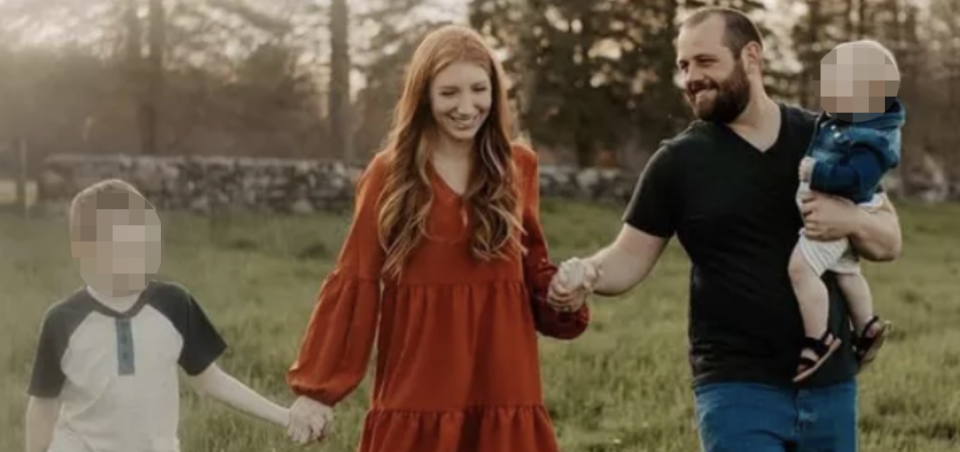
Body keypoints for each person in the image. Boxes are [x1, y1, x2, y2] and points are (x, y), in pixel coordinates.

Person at [549, 7, 902, 452]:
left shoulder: (826, 138)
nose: (691, 77)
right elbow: (628, 257)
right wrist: (586, 274)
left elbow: (889, 241)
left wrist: (849, 219)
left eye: (705, 61)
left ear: (751, 56)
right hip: (735, 387)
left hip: (830, 384)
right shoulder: (678, 162)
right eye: (683, 66)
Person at [283, 25, 591, 451]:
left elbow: (532, 274)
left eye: (479, 90)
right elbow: (356, 280)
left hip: (503, 384)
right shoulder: (389, 174)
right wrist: (316, 390)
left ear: (495, 92)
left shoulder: (517, 167)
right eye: (449, 93)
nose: (467, 107)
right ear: (424, 95)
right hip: (419, 386)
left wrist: (563, 294)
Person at [24, 179, 315, 452]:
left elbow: (211, 380)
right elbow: (43, 405)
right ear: (84, 250)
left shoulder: (174, 304)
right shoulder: (63, 321)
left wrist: (285, 416)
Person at [789, 39, 904, 382]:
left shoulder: (871, 139)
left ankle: (818, 340)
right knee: (846, 271)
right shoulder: (840, 122)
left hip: (836, 212)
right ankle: (867, 325)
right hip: (835, 212)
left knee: (801, 270)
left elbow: (856, 180)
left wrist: (816, 173)